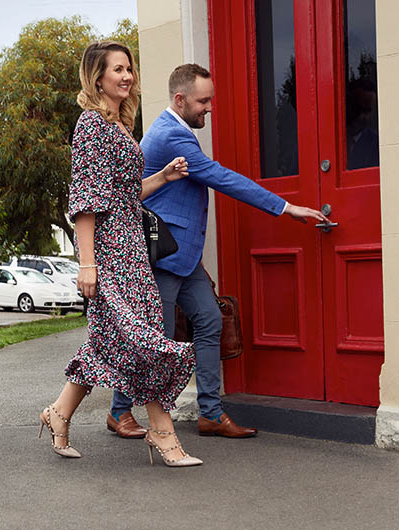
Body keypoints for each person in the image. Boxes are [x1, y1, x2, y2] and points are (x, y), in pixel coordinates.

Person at [106, 63, 330, 440]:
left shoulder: (176, 130)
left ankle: (210, 413)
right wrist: (284, 207)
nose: (209, 108)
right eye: (203, 101)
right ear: (180, 99)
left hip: (184, 256)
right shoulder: (169, 135)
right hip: (162, 256)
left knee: (209, 321)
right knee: (151, 337)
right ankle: (119, 411)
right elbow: (221, 178)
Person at [38, 41, 202, 468]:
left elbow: (126, 195)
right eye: (117, 69)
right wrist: (87, 264)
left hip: (131, 246)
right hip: (109, 254)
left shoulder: (120, 127)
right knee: (143, 339)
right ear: (98, 78)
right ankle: (163, 434)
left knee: (109, 341)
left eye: (129, 68)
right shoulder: (91, 125)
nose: (127, 76)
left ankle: (58, 414)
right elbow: (86, 200)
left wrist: (163, 177)